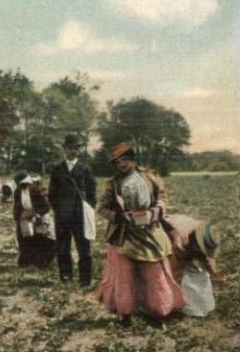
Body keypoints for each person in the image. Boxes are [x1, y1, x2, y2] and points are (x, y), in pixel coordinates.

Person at [95, 142, 186, 325]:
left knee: (154, 275)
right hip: (124, 235)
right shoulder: (113, 184)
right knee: (124, 276)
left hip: (149, 233)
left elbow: (162, 199)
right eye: (117, 162)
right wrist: (118, 217)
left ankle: (159, 313)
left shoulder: (150, 177)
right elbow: (102, 208)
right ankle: (126, 314)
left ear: (133, 160)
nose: (121, 164)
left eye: (125, 160)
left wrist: (153, 213)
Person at [48, 134, 97, 287]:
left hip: (80, 215)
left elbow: (91, 192)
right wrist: (59, 209)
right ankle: (66, 276)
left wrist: (88, 209)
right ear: (64, 149)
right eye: (70, 148)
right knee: (63, 248)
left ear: (80, 150)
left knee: (84, 249)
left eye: (76, 148)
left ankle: (85, 280)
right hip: (62, 216)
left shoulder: (85, 169)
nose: (72, 151)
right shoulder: (57, 169)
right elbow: (52, 194)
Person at [163, 215, 224, 317]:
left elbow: (208, 258)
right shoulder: (180, 237)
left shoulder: (204, 234)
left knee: (197, 271)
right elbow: (171, 267)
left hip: (180, 243)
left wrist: (212, 270)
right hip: (164, 237)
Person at [13, 171, 56, 267]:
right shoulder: (18, 192)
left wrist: (35, 214)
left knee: (42, 237)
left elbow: (46, 206)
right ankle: (27, 260)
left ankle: (43, 260)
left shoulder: (37, 190)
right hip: (25, 217)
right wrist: (19, 219)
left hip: (40, 216)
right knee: (23, 236)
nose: (21, 187)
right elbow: (17, 207)